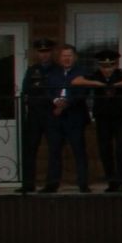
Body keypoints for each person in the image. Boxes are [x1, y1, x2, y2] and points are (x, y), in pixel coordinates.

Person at [75, 47, 122, 193]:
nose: (107, 70)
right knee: (105, 150)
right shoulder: (95, 75)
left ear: (115, 65)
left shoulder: (121, 74)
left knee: (121, 148)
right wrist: (97, 84)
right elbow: (76, 81)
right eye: (104, 66)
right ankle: (111, 181)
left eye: (110, 66)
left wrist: (114, 85)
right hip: (102, 118)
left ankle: (121, 180)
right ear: (99, 65)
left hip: (119, 117)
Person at [41, 43, 93, 194]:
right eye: (64, 56)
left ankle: (83, 184)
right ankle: (52, 184)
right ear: (59, 58)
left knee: (79, 151)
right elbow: (47, 90)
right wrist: (56, 101)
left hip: (75, 116)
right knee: (54, 151)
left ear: (74, 57)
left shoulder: (82, 72)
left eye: (69, 56)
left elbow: (83, 92)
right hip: (56, 117)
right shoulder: (52, 73)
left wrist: (66, 103)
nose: (67, 59)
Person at [18, 38, 55, 193]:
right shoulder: (32, 70)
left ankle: (51, 184)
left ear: (51, 52)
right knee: (29, 149)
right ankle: (28, 184)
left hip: (51, 113)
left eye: (46, 51)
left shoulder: (56, 70)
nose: (44, 55)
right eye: (41, 52)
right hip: (34, 114)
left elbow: (54, 91)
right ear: (37, 53)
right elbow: (26, 89)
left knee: (54, 148)